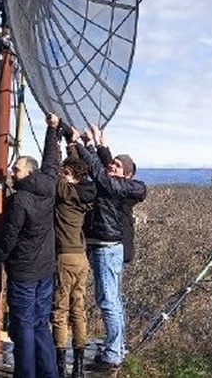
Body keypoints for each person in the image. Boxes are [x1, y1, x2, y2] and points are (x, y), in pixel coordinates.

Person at [0, 113, 61, 377]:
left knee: (23, 326)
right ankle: (49, 373)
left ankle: (26, 373)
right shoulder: (49, 186)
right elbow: (52, 160)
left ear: (29, 172)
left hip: (24, 273)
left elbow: (9, 237)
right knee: (40, 323)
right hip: (45, 270)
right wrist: (52, 130)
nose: (11, 172)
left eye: (16, 169)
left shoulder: (21, 200)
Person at [74, 125, 146, 371]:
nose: (111, 166)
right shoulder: (115, 184)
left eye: (117, 165)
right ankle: (117, 348)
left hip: (106, 249)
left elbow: (101, 174)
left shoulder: (119, 187)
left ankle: (113, 354)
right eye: (111, 163)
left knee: (108, 302)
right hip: (105, 248)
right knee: (113, 300)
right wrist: (98, 145)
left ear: (127, 175)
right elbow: (104, 169)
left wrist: (80, 145)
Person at [52, 126, 96, 378]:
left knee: (60, 310)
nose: (63, 175)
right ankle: (78, 367)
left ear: (74, 178)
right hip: (81, 258)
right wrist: (72, 145)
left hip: (65, 257)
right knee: (78, 310)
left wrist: (55, 140)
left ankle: (60, 365)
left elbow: (54, 170)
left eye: (67, 174)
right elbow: (74, 171)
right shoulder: (82, 196)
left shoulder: (66, 193)